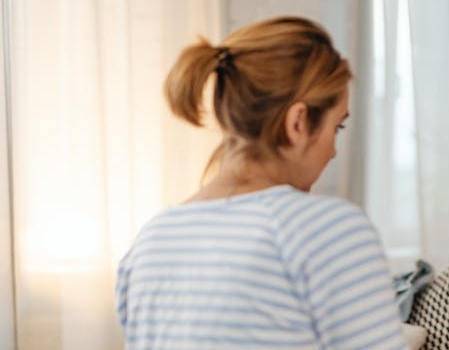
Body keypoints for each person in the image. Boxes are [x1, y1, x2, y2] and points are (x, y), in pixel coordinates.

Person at [115, 16, 408, 350]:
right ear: (297, 122)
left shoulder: (151, 240)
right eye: (335, 129)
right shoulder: (327, 229)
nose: (333, 152)